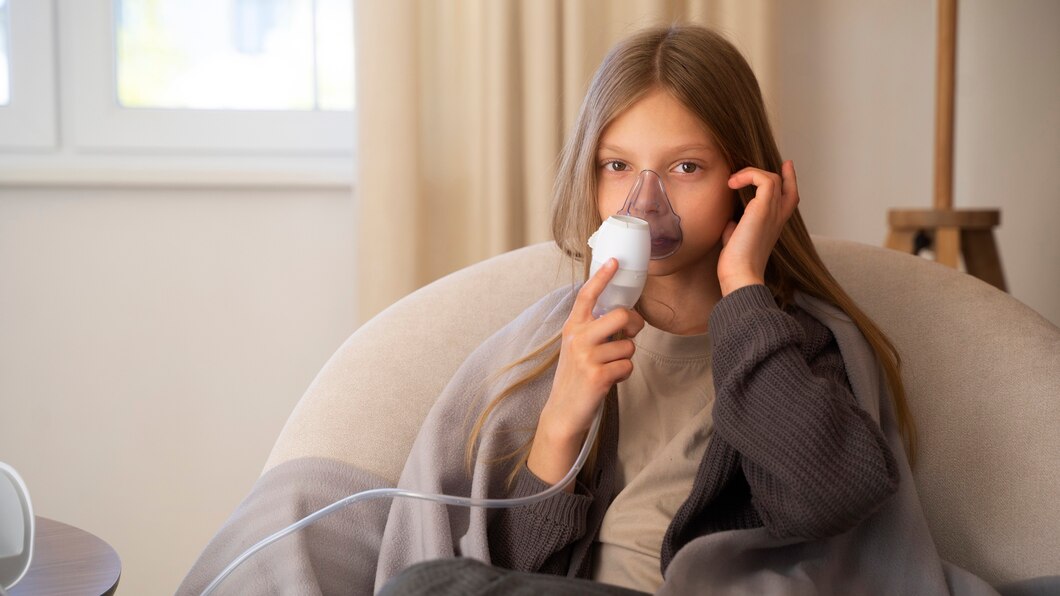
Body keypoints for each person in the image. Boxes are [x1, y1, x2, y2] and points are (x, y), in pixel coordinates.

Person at [179, 24, 998, 596]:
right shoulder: (552, 341)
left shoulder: (793, 346)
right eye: (618, 165)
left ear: (745, 183)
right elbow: (510, 569)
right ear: (589, 176)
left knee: (431, 591)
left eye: (685, 167)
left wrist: (745, 284)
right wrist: (564, 419)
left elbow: (830, 494)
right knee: (301, 503)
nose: (646, 200)